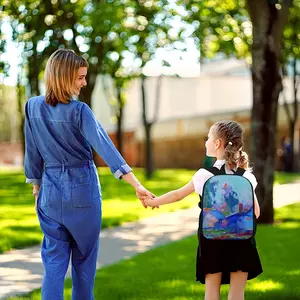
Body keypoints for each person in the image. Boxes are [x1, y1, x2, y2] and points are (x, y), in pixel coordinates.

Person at [24, 49, 153, 300]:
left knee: (53, 265)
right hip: (82, 191)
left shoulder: (32, 107)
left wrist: (37, 189)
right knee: (83, 264)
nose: (84, 83)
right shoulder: (79, 111)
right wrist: (136, 184)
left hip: (49, 193)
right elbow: (106, 148)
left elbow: (32, 153)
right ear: (64, 77)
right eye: (80, 77)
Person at [144, 120, 263, 300]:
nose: (206, 142)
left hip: (212, 242)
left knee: (211, 294)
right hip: (241, 242)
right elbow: (256, 212)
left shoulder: (204, 175)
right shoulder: (247, 176)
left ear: (217, 144)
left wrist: (154, 202)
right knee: (237, 294)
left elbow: (177, 195)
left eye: (208, 138)